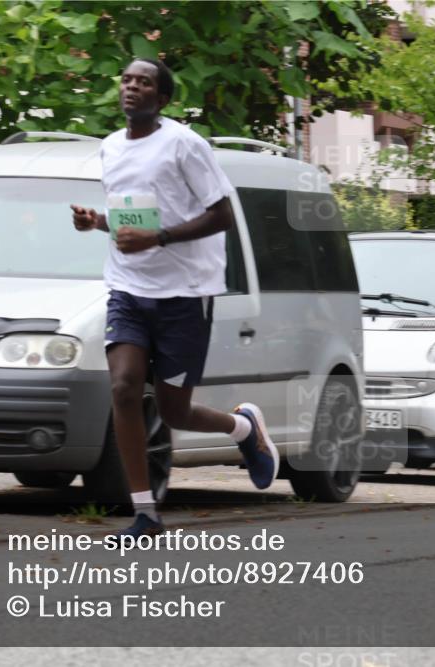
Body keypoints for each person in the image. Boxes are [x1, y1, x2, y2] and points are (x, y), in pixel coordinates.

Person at [70, 59, 277, 536]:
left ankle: (244, 428)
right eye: (126, 79)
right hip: (128, 288)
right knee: (123, 387)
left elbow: (222, 214)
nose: (132, 87)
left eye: (144, 82)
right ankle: (144, 510)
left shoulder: (185, 144)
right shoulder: (110, 148)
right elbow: (132, 218)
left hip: (185, 293)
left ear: (161, 99)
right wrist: (97, 222)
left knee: (173, 410)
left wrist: (159, 239)